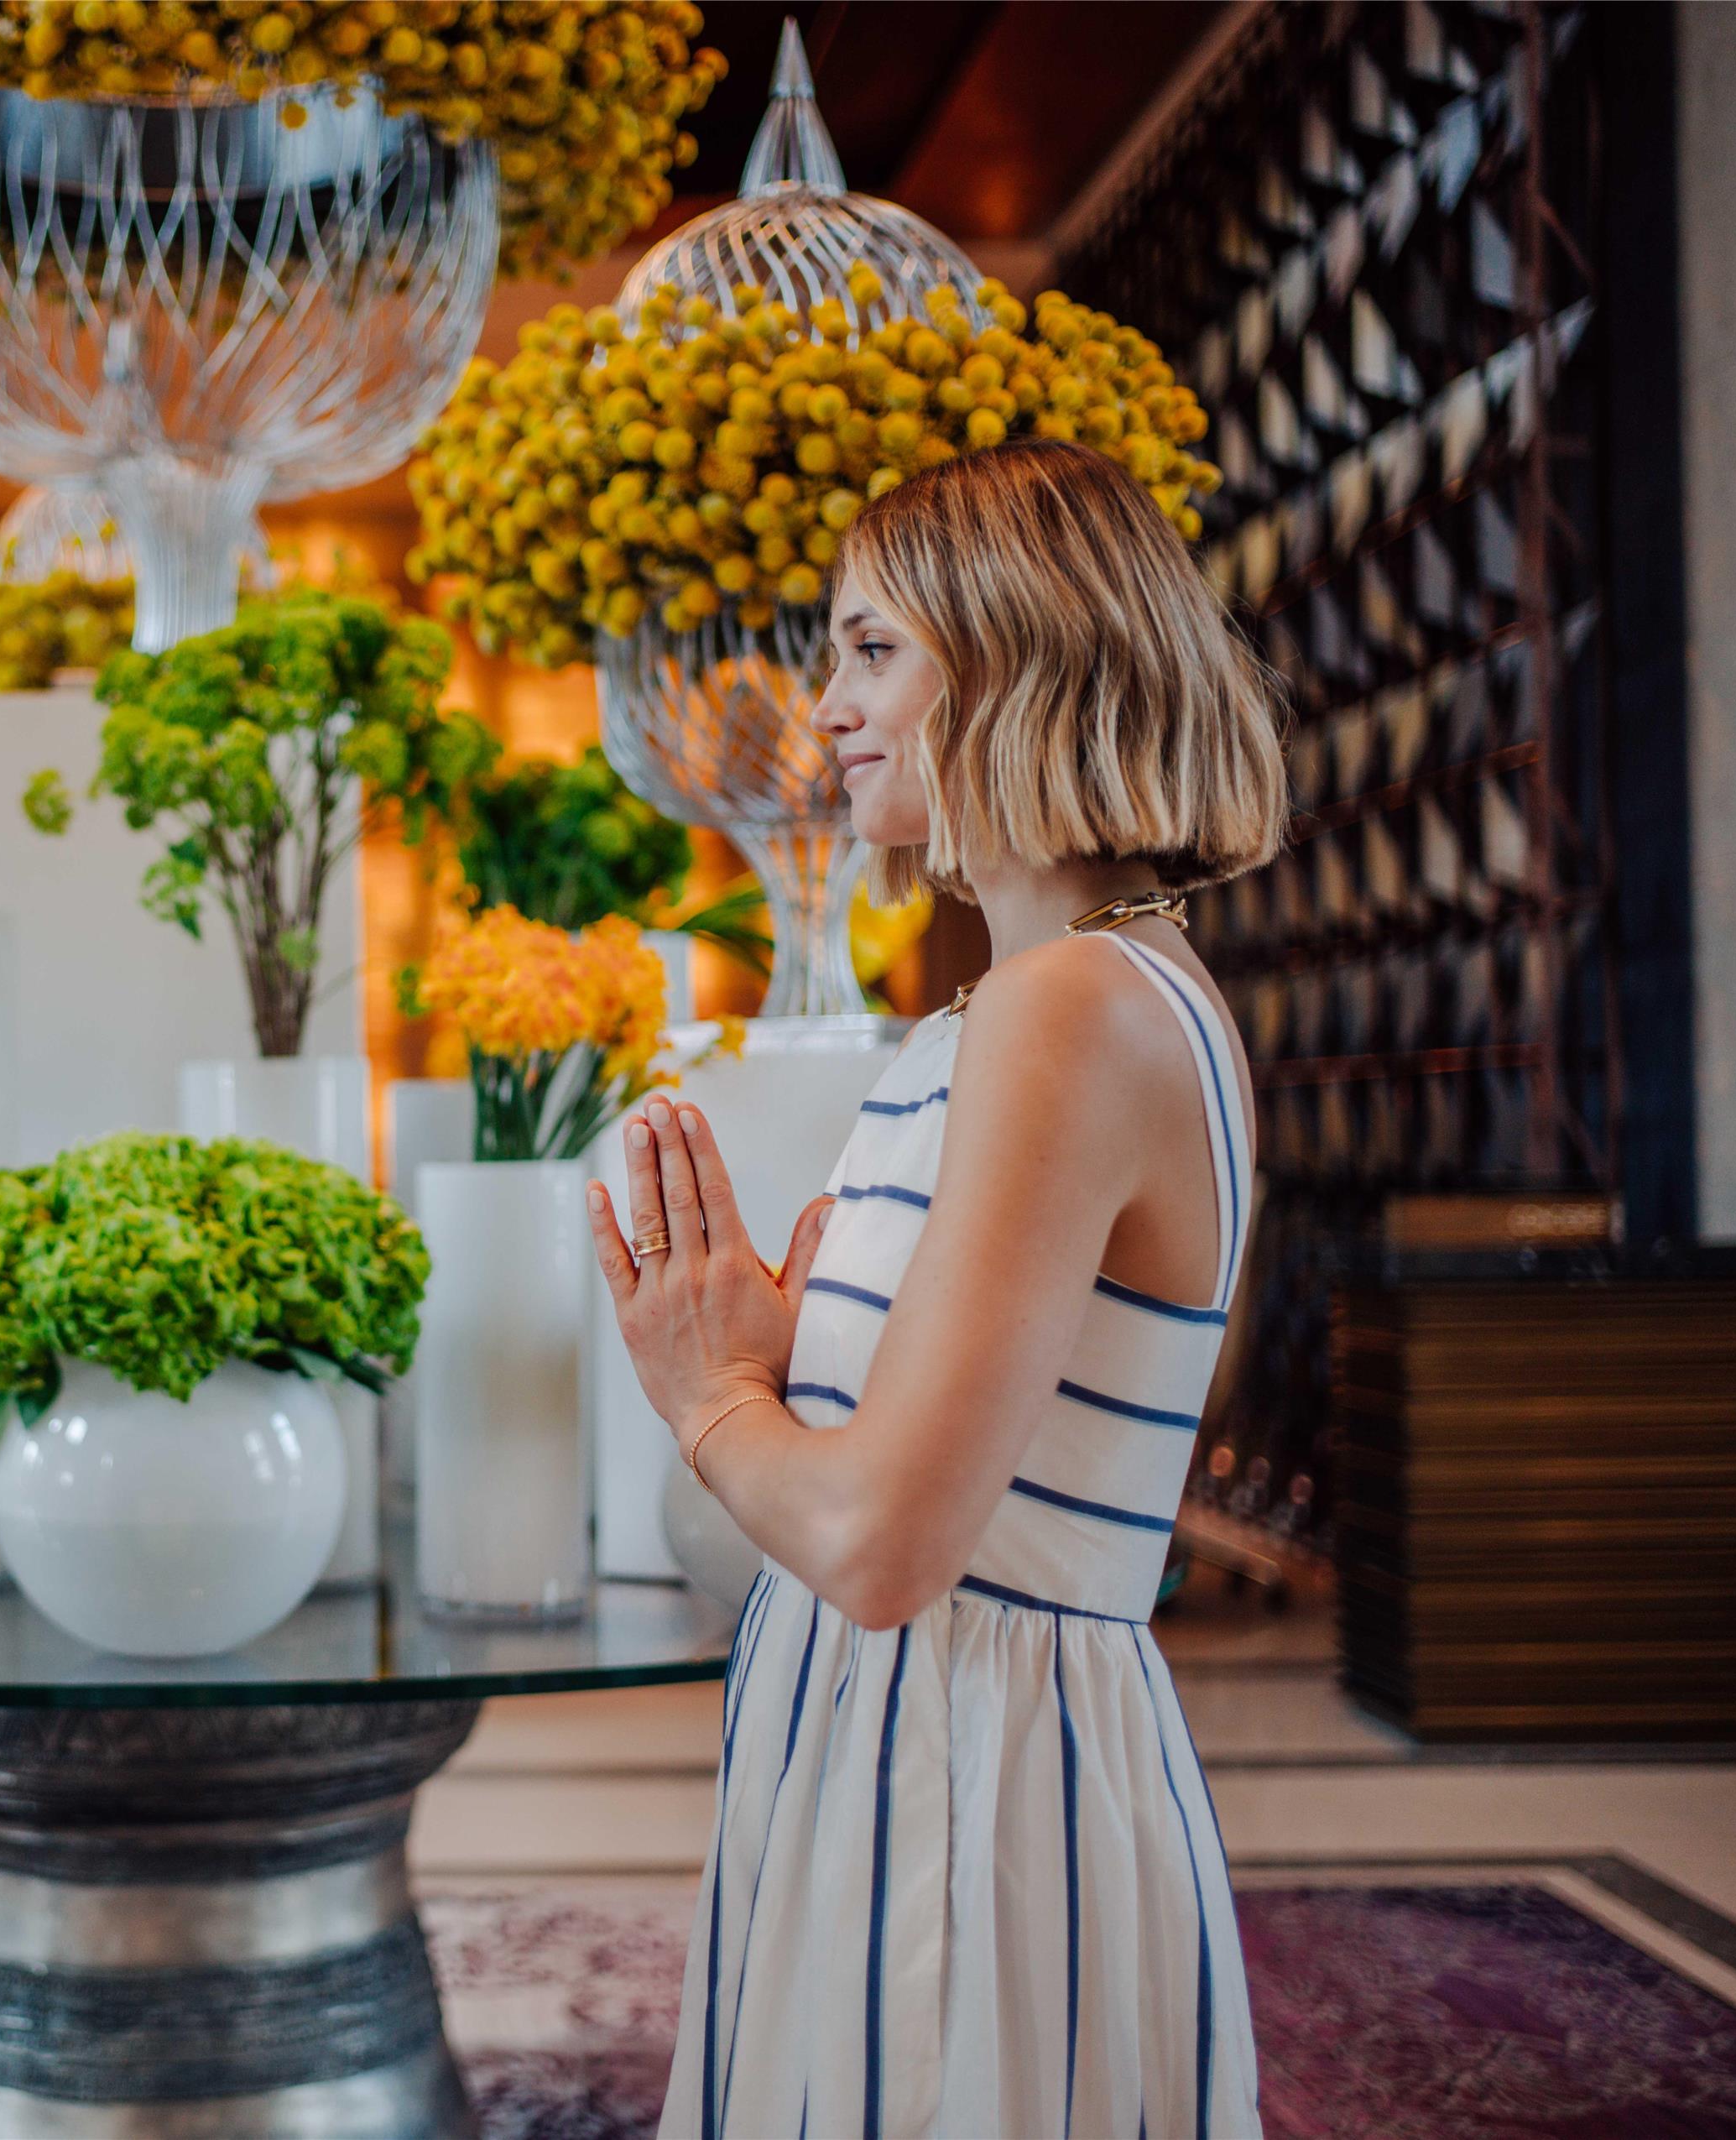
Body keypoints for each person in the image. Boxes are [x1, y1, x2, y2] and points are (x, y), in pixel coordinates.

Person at [592, 439, 1286, 2140]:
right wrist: (787, 1367)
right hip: (923, 1747)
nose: (826, 702)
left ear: (1023, 654)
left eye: (871, 649)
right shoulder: (1050, 1004)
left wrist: (712, 1395)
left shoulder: (1069, 1011)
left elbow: (884, 1547)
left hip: (967, 1784)